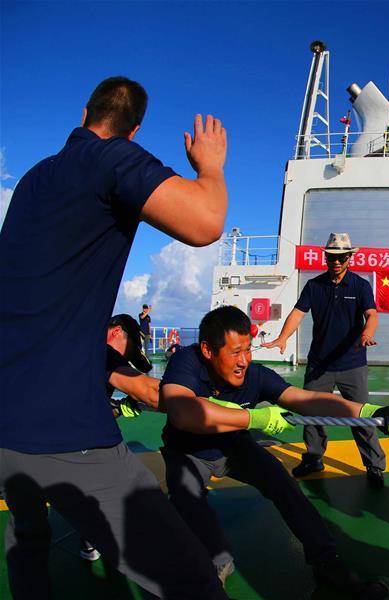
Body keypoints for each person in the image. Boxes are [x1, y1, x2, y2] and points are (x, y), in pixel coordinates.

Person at [0, 76, 229, 598]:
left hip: (5, 412)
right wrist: (209, 165)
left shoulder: (37, 176)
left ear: (84, 112)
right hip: (62, 426)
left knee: (29, 543)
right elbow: (205, 222)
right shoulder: (111, 159)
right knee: (192, 582)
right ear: (134, 131)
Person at [160, 305, 389, 595]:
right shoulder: (186, 362)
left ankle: (328, 567)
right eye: (235, 352)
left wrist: (368, 410)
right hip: (188, 451)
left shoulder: (256, 376)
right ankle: (215, 564)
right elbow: (182, 412)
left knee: (284, 485)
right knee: (186, 500)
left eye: (248, 350)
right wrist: (254, 418)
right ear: (207, 350)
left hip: (233, 445)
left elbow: (305, 400)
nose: (244, 361)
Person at [265, 232, 387, 488]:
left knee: (361, 417)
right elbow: (298, 314)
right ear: (325, 258)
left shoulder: (360, 285)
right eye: (332, 257)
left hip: (352, 364)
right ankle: (313, 458)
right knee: (312, 415)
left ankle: (374, 466)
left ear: (349, 258)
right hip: (319, 365)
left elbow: (372, 315)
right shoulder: (315, 286)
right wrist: (282, 337)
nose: (337, 262)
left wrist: (367, 332)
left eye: (342, 257)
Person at [80, 314, 161, 563]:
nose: (123, 360)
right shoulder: (100, 351)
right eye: (126, 353)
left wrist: (117, 407)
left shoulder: (74, 348)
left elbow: (84, 401)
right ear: (116, 332)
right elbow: (150, 391)